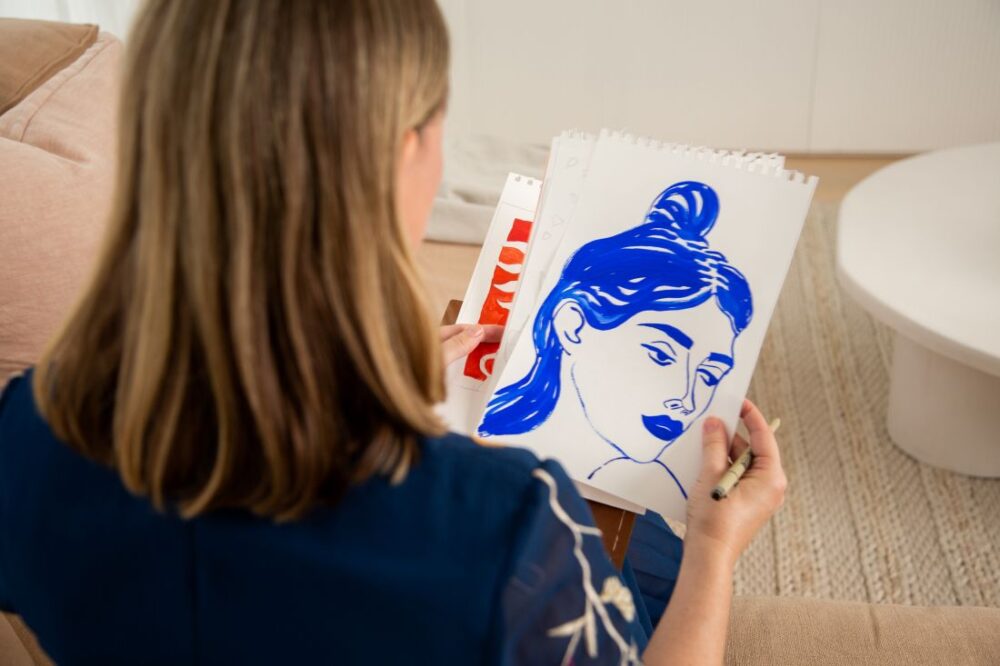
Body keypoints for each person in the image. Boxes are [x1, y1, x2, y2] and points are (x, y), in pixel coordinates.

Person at [0, 1, 786, 663]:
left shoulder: (33, 426)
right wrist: (715, 549)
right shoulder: (511, 528)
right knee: (658, 558)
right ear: (403, 154)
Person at [479, 180, 753, 502]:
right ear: (573, 326)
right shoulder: (483, 456)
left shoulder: (660, 485)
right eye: (662, 355)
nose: (686, 399)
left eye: (709, 375)